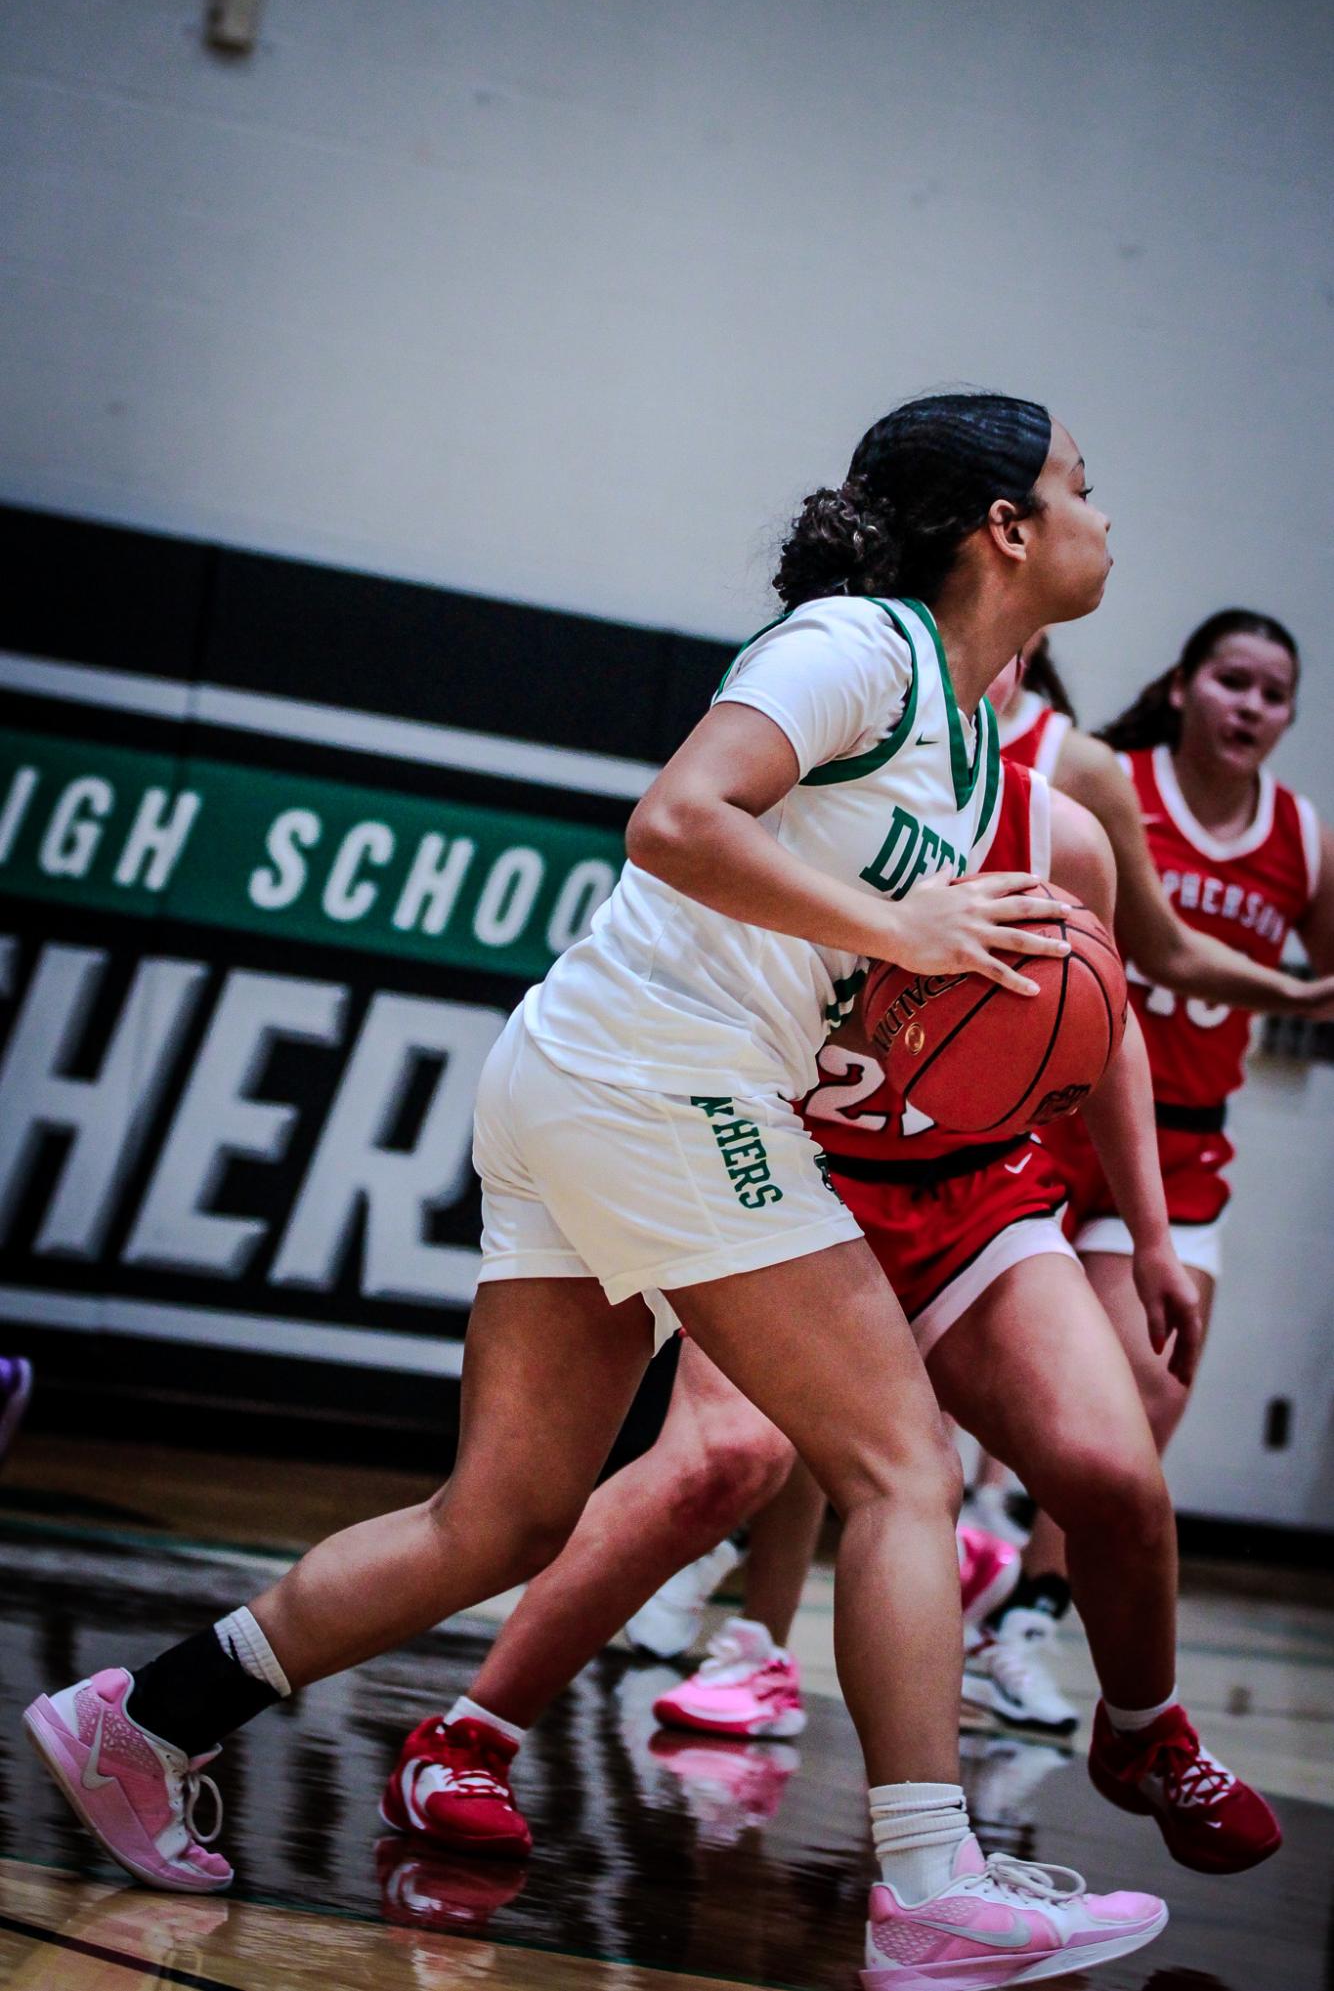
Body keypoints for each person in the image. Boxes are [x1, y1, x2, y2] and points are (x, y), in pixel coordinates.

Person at [24, 394, 1170, 1984]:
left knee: (499, 1514)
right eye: (1080, 489)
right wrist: (907, 935)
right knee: (900, 1464)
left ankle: (144, 1718)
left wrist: (906, 1015)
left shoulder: (975, 747)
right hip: (656, 1078)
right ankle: (929, 1888)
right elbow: (674, 819)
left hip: (607, 1076)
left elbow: (821, 947)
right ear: (1003, 528)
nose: (1106, 519)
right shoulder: (859, 645)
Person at [381, 751, 1280, 1882]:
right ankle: (469, 1735)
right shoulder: (808, 805)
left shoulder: (1060, 835)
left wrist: (1149, 1234)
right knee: (722, 1460)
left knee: (1111, 1472)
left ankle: (1144, 1730)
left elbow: (1100, 1022)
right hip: (794, 1181)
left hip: (972, 1196)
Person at [964, 619, 1334, 1732]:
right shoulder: (1104, 782)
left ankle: (1024, 1614)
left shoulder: (1302, 844)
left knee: (1143, 1398)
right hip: (1045, 1112)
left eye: (1272, 693)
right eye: (1230, 680)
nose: (1247, 706)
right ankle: (958, 1531)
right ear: (1179, 686)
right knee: (987, 1371)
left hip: (1179, 1143)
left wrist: (1296, 1000)